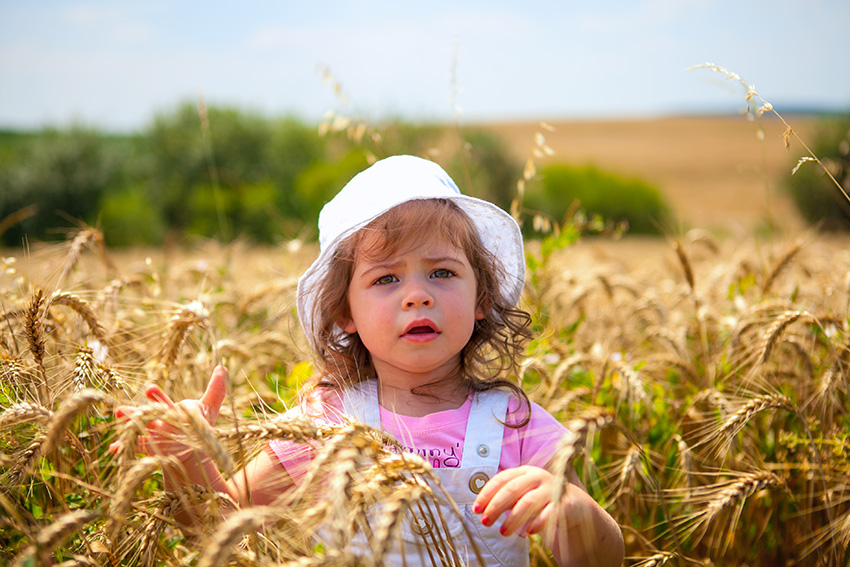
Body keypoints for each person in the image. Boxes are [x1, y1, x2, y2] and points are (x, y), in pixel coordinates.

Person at [112, 155, 624, 567]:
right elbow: (218, 529)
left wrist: (574, 512)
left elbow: (604, 558)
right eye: (386, 279)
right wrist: (186, 459)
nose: (417, 296)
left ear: (482, 297)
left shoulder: (514, 424)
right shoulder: (325, 426)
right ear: (345, 312)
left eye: (443, 273)